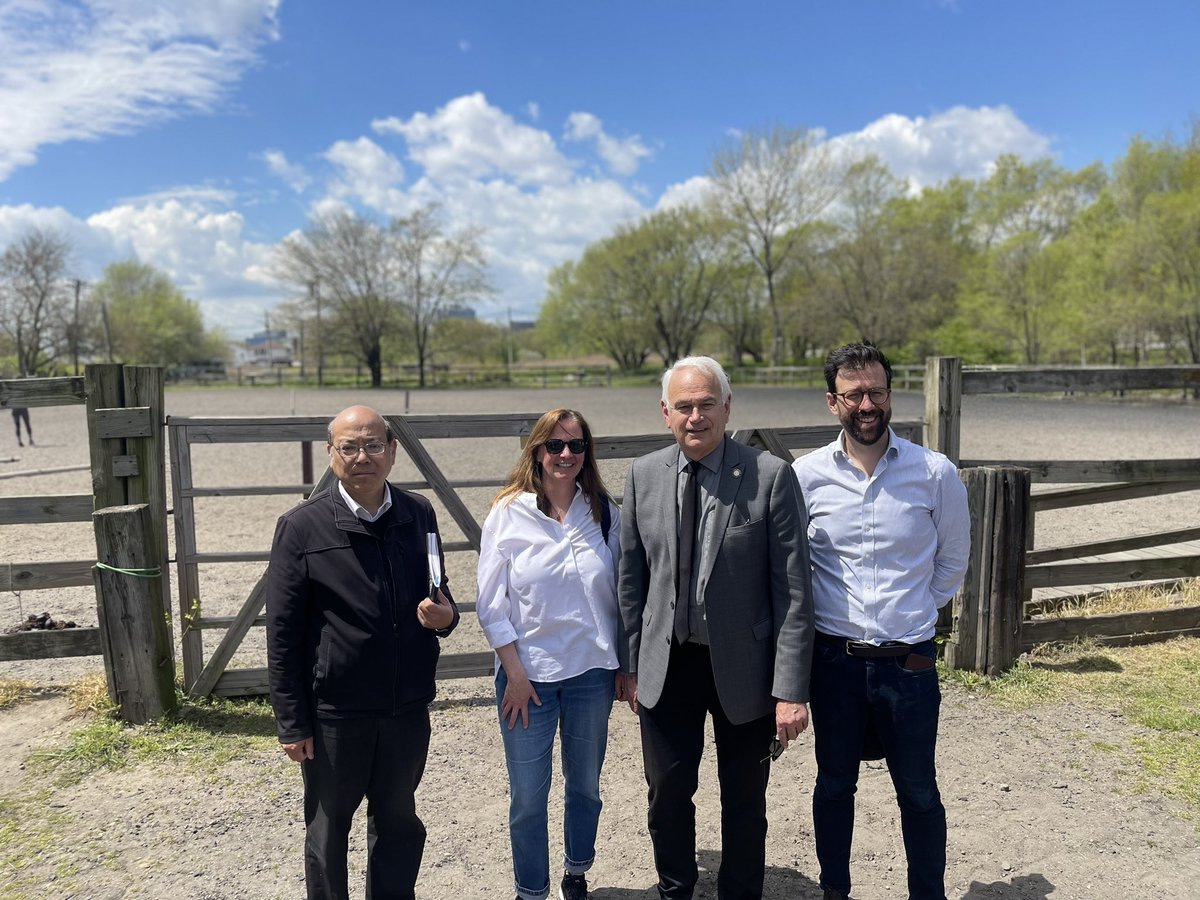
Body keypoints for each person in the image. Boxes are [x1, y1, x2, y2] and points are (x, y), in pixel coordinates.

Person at [618, 356, 814, 900]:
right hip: (666, 665)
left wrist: (791, 691)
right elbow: (630, 580)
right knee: (667, 793)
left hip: (744, 669)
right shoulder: (643, 476)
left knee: (745, 800)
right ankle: (675, 887)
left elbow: (794, 593)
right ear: (666, 412)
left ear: (728, 408)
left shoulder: (769, 476)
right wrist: (630, 665)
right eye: (685, 406)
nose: (696, 417)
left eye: (707, 405)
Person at [792, 343, 970, 900]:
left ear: (890, 396)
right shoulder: (805, 477)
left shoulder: (934, 472)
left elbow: (953, 561)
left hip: (909, 664)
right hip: (834, 662)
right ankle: (835, 892)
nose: (867, 404)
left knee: (918, 790)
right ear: (832, 402)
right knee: (834, 785)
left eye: (877, 392)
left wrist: (913, 611)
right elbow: (797, 567)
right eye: (854, 394)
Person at [266, 404, 459, 900]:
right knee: (329, 831)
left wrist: (448, 617)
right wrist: (292, 721)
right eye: (349, 447)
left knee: (397, 822)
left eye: (373, 444)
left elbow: (439, 590)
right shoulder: (301, 528)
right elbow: (283, 633)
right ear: (331, 455)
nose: (362, 456)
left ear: (392, 451)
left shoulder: (419, 513)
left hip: (405, 706)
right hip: (336, 713)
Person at [476, 408, 622, 900]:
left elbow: (625, 596)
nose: (565, 455)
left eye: (576, 446)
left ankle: (576, 871)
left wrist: (625, 667)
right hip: (526, 679)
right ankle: (530, 891)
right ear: (536, 451)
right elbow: (489, 601)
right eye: (554, 446)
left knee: (585, 785)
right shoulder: (508, 512)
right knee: (527, 798)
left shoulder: (604, 512)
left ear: (587, 453)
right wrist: (514, 674)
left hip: (591, 675)